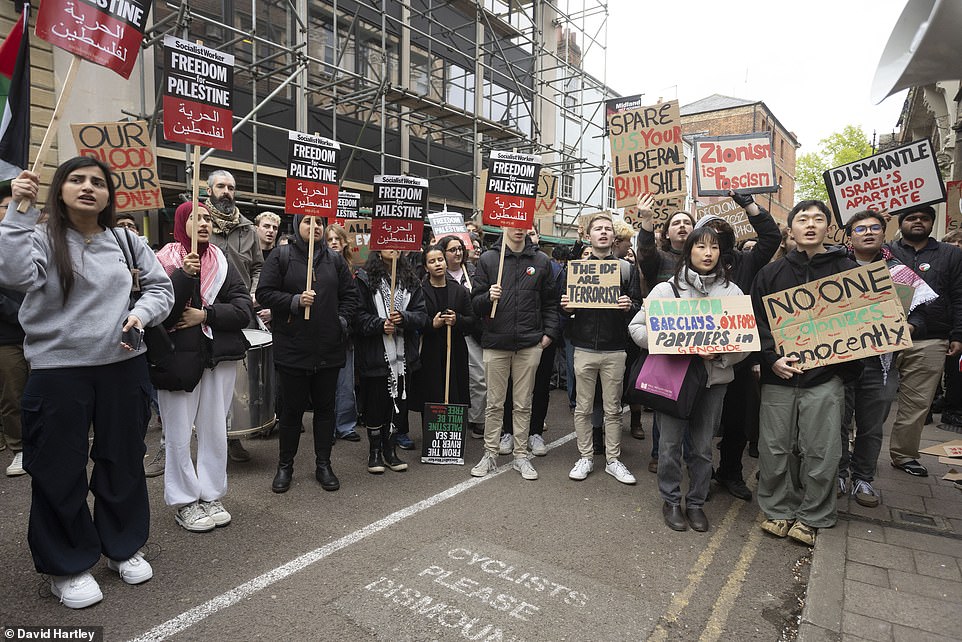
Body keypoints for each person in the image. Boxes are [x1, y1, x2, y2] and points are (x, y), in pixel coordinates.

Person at [0, 158, 174, 608]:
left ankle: (123, 546)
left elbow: (161, 289)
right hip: (59, 373)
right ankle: (68, 564)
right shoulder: (38, 236)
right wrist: (18, 211)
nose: (88, 187)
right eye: (77, 179)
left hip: (123, 366)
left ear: (108, 194)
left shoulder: (126, 239)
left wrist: (140, 314)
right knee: (58, 469)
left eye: (98, 181)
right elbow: (13, 275)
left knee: (122, 461)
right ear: (58, 189)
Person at [751, 200, 860, 546]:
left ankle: (814, 514)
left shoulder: (848, 269)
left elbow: (862, 322)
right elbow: (757, 322)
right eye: (802, 219)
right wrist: (770, 358)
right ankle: (778, 508)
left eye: (818, 219)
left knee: (821, 448)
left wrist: (836, 366)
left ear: (828, 227)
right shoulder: (770, 273)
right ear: (791, 229)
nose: (810, 225)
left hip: (826, 377)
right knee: (775, 447)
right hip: (779, 376)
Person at [630, 226, 747, 531]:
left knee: (702, 448)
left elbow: (745, 342)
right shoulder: (665, 290)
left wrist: (720, 355)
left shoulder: (732, 292)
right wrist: (675, 343)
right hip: (675, 382)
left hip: (713, 383)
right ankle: (670, 500)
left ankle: (695, 502)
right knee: (669, 446)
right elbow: (637, 329)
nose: (708, 253)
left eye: (714, 248)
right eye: (701, 247)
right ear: (689, 251)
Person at [153, 202, 253, 530]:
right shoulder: (163, 260)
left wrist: (206, 315)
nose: (204, 223)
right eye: (196, 218)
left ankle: (211, 493)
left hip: (217, 358)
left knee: (214, 430)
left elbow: (243, 309)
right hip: (178, 359)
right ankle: (185, 501)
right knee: (179, 433)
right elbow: (161, 312)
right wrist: (184, 275)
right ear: (181, 223)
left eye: (208, 218)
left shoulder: (223, 263)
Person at [839, 210, 935, 507]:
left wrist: (912, 324)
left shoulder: (899, 270)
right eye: (860, 228)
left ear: (883, 233)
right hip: (840, 361)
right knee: (838, 421)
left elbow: (920, 306)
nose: (867, 233)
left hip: (879, 362)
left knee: (871, 424)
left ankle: (864, 478)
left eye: (874, 228)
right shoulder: (834, 266)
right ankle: (839, 473)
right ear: (850, 235)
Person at [257, 216, 359, 493]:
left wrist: (341, 322)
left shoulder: (334, 261)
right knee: (292, 411)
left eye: (319, 223)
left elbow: (351, 298)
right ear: (296, 225)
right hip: (293, 348)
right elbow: (264, 293)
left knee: (326, 411)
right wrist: (293, 301)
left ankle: (323, 464)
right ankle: (285, 466)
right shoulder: (282, 256)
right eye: (307, 222)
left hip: (328, 348)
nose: (314, 227)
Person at [694, 191, 781, 502]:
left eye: (721, 232)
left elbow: (770, 237)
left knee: (737, 419)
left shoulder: (747, 261)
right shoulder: (693, 270)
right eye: (708, 233)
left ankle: (730, 471)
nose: (716, 237)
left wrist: (749, 206)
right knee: (699, 420)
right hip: (699, 357)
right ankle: (698, 477)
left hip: (738, 357)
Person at [470, 227, 560, 481]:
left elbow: (551, 302)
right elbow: (474, 303)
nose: (519, 229)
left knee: (523, 404)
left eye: (524, 224)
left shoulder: (541, 260)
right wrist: (488, 296)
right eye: (514, 224)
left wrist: (548, 334)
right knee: (494, 404)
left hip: (529, 344)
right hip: (496, 343)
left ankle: (521, 456)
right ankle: (489, 454)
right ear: (503, 226)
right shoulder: (489, 259)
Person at [562, 212, 641, 485]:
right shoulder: (576, 269)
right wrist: (568, 310)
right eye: (598, 229)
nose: (604, 233)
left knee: (613, 408)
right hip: (583, 346)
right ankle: (585, 456)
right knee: (583, 407)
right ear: (589, 235)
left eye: (608, 229)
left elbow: (638, 306)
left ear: (614, 236)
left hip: (615, 348)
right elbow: (565, 309)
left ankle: (613, 460)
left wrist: (629, 307)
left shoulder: (626, 269)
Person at [885, 205, 962, 476]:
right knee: (875, 402)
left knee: (917, 404)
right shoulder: (886, 252)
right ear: (901, 223)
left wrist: (958, 334)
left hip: (931, 339)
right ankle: (857, 456)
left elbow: (958, 295)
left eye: (924, 218)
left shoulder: (951, 254)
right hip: (883, 338)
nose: (918, 222)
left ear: (932, 223)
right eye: (911, 218)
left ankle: (904, 456)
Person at [205, 169, 264, 463]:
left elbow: (257, 267)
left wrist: (253, 292)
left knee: (236, 381)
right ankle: (201, 438)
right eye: (221, 186)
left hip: (240, 312)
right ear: (209, 191)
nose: (226, 191)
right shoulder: (200, 223)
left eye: (231, 187)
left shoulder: (248, 229)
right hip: (205, 312)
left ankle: (233, 439)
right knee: (205, 377)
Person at [354, 250, 428, 473]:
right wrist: (379, 324)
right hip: (376, 353)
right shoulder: (364, 278)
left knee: (399, 405)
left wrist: (404, 318)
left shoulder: (411, 279)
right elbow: (357, 316)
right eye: (388, 243)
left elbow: (422, 315)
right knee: (376, 404)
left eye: (398, 244)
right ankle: (375, 452)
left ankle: (390, 450)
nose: (393, 247)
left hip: (403, 355)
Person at [413, 246, 476, 419]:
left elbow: (472, 321)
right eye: (432, 261)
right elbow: (415, 319)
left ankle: (453, 440)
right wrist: (431, 324)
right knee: (431, 393)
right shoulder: (420, 291)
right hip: (430, 350)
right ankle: (432, 440)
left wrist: (458, 321)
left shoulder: (460, 291)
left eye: (440, 260)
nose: (437, 264)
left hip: (455, 350)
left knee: (455, 392)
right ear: (426, 267)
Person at [438, 234, 486, 439]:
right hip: (446, 335)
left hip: (471, 333)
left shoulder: (474, 273)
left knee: (479, 378)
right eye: (452, 250)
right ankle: (451, 419)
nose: (458, 253)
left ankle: (477, 419)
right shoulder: (437, 273)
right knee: (451, 378)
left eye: (460, 249)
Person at [326, 223, 361, 442]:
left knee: (346, 383)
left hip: (346, 333)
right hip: (324, 332)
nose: (334, 243)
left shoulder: (355, 270)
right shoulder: (318, 265)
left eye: (337, 239)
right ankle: (327, 427)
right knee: (327, 385)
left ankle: (345, 425)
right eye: (329, 240)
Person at [0, 185, 26, 476]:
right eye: (7, 206)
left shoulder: (34, 241)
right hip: (8, 336)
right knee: (13, 394)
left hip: (40, 334)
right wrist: (23, 315)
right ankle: (19, 449)